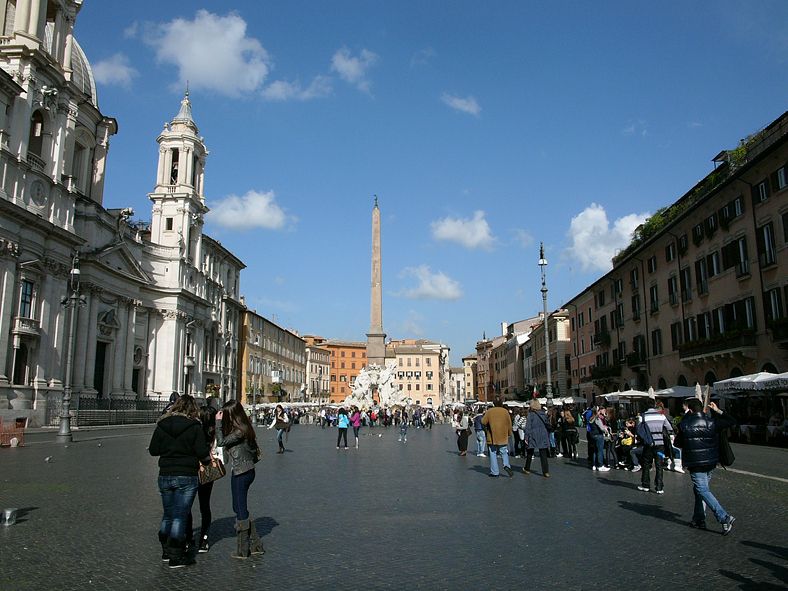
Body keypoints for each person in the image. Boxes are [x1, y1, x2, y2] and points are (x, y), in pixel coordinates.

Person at [149, 394, 211, 568]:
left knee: (168, 514)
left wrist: (169, 449)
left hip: (165, 474)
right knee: (179, 516)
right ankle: (176, 555)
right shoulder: (194, 426)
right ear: (192, 409)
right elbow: (201, 451)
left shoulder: (162, 425)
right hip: (186, 475)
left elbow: (154, 450)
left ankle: (166, 551)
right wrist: (206, 461)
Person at [674, 400, 737, 534]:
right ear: (702, 409)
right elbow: (731, 420)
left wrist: (686, 418)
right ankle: (699, 519)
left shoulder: (685, 424)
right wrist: (718, 410)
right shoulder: (712, 422)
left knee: (702, 490)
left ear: (690, 410)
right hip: (711, 462)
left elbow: (677, 442)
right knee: (700, 490)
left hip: (696, 463)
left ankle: (724, 517)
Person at [216, 399, 264, 559]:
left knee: (240, 507)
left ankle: (243, 549)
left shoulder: (239, 431)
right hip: (244, 469)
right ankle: (256, 544)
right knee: (238, 506)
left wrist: (217, 424)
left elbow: (222, 442)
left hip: (242, 471)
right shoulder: (244, 426)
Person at [636, 398, 674, 494]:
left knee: (646, 464)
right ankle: (659, 487)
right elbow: (669, 428)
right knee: (659, 465)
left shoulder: (642, 417)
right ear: (654, 405)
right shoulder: (661, 416)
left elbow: (639, 431)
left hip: (648, 445)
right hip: (660, 445)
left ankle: (645, 485)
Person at [195, 405, 217, 554]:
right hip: (208, 470)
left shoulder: (195, 430)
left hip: (192, 469)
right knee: (205, 505)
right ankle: (204, 538)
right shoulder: (215, 434)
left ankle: (188, 537)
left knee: (187, 505)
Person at [481, 397, 514, 477]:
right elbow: (509, 424)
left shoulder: (490, 411)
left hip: (492, 436)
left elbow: (483, 421)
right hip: (503, 435)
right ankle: (506, 465)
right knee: (504, 451)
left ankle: (495, 472)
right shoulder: (505, 412)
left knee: (493, 453)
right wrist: (509, 433)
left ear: (493, 403)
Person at [523, 400, 551, 477]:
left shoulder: (530, 415)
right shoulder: (543, 414)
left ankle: (527, 468)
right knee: (543, 453)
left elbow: (528, 427)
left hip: (533, 434)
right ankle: (546, 471)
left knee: (530, 451)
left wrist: (526, 437)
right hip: (543, 434)